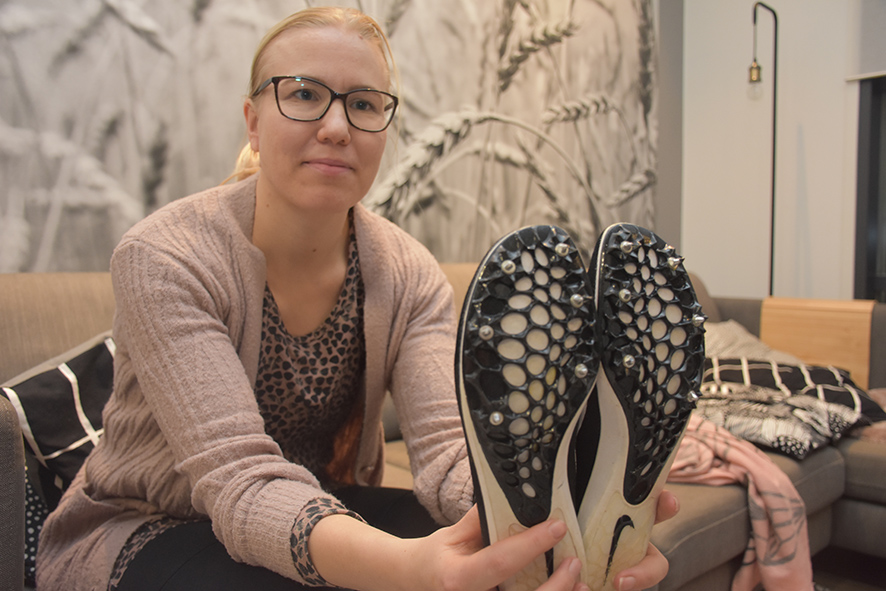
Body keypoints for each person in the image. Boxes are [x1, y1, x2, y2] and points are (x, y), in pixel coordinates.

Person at [36, 7, 677, 591]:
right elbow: (239, 481)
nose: (337, 127)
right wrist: (410, 569)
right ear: (253, 121)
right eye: (304, 94)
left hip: (321, 506)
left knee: (509, 567)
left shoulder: (409, 274)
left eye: (364, 104)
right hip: (147, 525)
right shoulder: (165, 256)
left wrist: (552, 532)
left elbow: (451, 456)